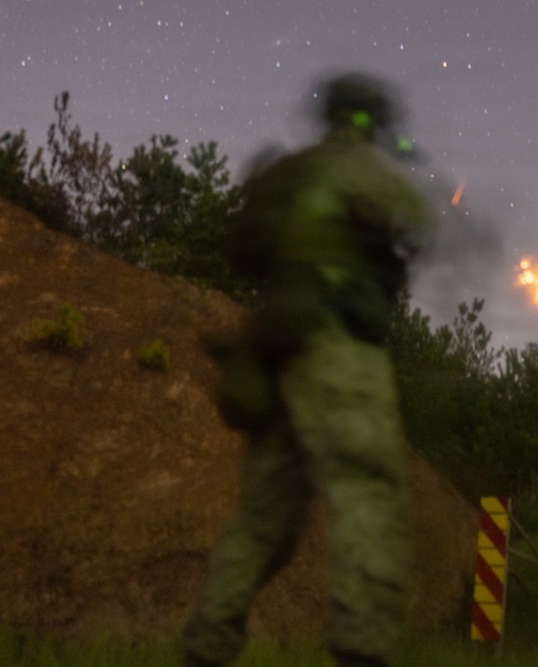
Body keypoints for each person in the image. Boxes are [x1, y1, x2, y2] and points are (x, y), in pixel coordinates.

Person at [182, 72, 433, 667]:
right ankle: (364, 650)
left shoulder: (287, 175)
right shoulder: (350, 163)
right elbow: (418, 217)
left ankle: (206, 648)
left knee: (265, 519)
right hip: (334, 346)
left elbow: (243, 251)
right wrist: (404, 169)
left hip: (277, 349)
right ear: (364, 120)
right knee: (367, 485)